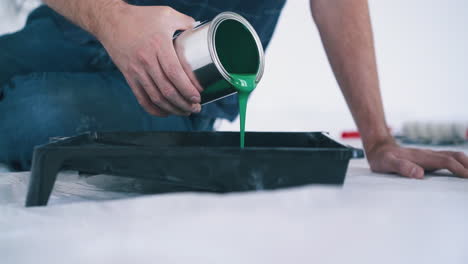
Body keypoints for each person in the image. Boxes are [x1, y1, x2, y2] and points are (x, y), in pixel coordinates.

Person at [1, 0, 467, 179]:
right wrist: (115, 20)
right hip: (77, 24)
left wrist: (378, 139)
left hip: (181, 87)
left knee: (34, 114)